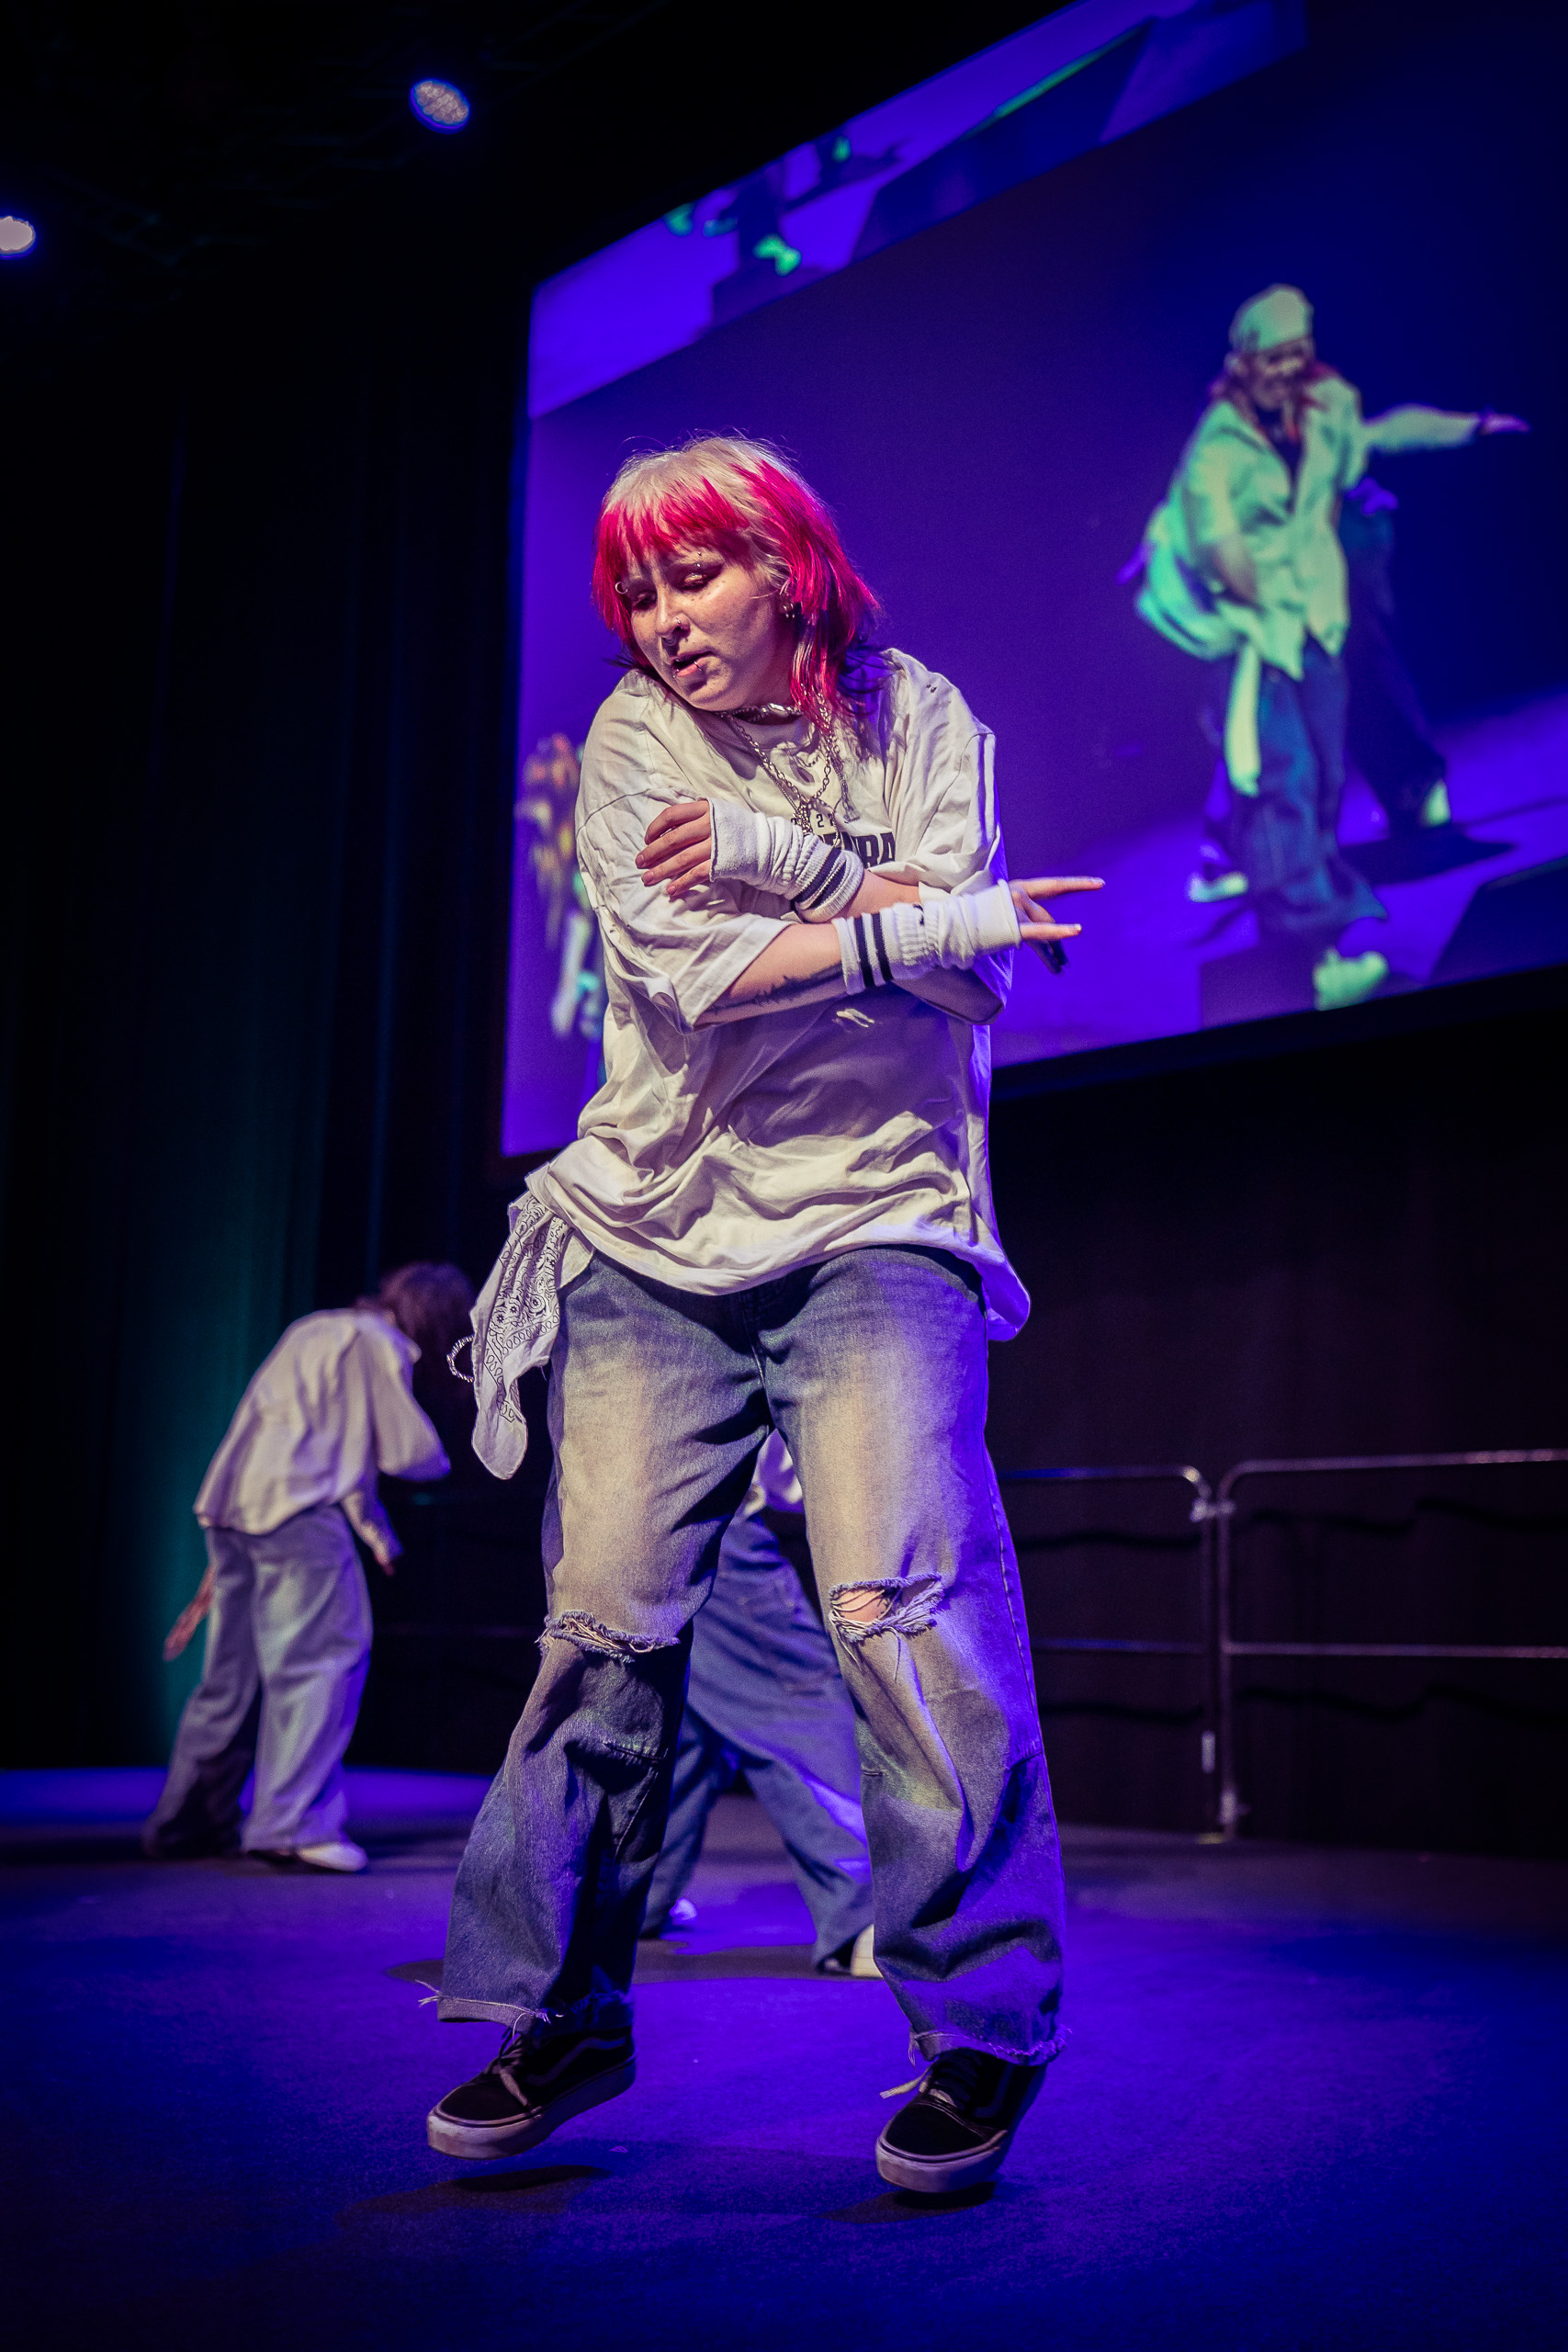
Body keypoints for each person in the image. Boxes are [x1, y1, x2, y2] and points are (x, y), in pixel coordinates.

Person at [428, 434, 1099, 2195]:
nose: (661, 622)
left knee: (901, 1612)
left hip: (880, 1216)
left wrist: (771, 859)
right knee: (600, 1631)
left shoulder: (921, 717)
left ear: (787, 571)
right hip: (653, 1230)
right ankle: (563, 2010)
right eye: (636, 594)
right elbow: (693, 976)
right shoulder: (635, 739)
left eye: (693, 577)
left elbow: (982, 973)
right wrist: (883, 904)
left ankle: (979, 2028)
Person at [1137, 284, 1524, 1012]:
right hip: (1254, 635)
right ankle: (1309, 960)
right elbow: (1215, 540)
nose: (1287, 368)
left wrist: (1468, 428)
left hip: (1317, 622)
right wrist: (1259, 609)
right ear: (1243, 362)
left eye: (1297, 353)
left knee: (1316, 781)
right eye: (1272, 357)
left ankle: (1293, 921)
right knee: (1278, 783)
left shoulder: (1326, 408)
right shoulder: (1216, 447)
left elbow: (1378, 437)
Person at [143, 1262, 472, 1872]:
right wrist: (451, 1459)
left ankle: (188, 1824)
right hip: (299, 1516)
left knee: (232, 1678)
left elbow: (331, 1447)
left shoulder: (315, 1328)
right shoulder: (378, 1343)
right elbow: (404, 1451)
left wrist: (377, 1536)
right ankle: (291, 1825)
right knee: (320, 1664)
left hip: (232, 1511)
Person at [641, 1430, 877, 1976]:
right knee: (800, 1704)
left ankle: (627, 1898)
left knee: (680, 1729)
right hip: (711, 1526)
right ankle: (864, 1918)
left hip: (629, 1528)